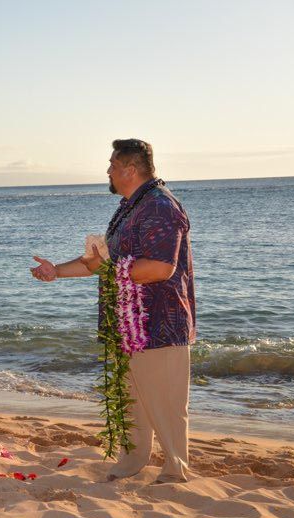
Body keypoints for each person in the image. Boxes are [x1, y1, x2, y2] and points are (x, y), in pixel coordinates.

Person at [32, 138, 195, 483]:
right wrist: (56, 270)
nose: (107, 170)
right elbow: (102, 261)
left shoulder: (160, 206)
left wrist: (109, 268)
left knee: (165, 402)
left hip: (160, 324)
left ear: (129, 170)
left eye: (111, 164)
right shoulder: (129, 207)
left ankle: (175, 469)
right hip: (126, 323)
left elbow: (161, 267)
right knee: (131, 399)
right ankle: (133, 460)